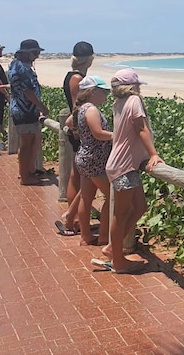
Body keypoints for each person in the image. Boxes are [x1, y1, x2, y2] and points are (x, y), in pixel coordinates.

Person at [95, 68, 163, 274]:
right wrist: (153, 154)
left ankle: (111, 249)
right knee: (121, 215)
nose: (140, 88)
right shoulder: (134, 101)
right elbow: (141, 129)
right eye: (138, 85)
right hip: (124, 165)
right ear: (133, 86)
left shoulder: (119, 103)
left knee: (140, 207)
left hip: (123, 163)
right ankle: (118, 261)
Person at [65, 76, 113, 247]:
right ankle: (104, 237)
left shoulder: (80, 109)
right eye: (104, 92)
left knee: (86, 197)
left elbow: (68, 123)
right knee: (111, 196)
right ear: (93, 92)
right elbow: (98, 133)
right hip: (95, 159)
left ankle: (86, 236)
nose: (106, 96)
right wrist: (118, 136)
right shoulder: (91, 110)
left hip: (84, 156)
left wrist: (82, 135)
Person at [59, 41, 95, 235]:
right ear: (90, 59)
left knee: (77, 173)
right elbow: (77, 107)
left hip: (77, 130)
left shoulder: (72, 76)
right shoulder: (77, 79)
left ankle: (73, 217)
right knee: (80, 176)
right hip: (79, 131)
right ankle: (73, 218)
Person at [9, 39, 49, 185]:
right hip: (25, 110)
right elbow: (27, 91)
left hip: (21, 109)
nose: (37, 55)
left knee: (28, 143)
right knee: (26, 145)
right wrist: (42, 106)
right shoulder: (23, 68)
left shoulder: (15, 64)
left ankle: (26, 171)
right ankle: (26, 177)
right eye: (35, 52)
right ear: (26, 53)